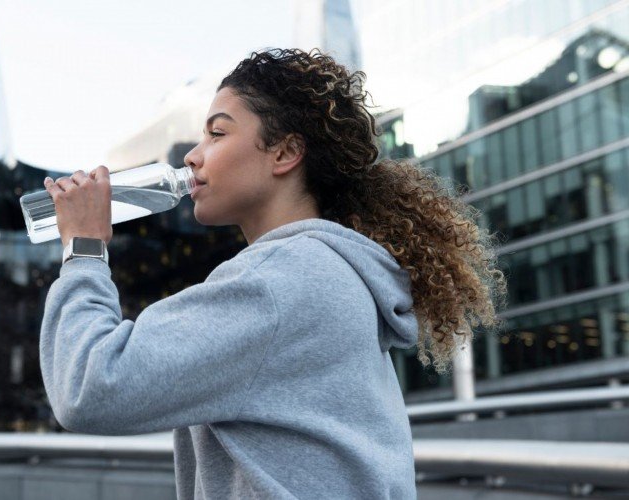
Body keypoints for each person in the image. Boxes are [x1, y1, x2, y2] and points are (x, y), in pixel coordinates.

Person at [39, 48, 507, 499]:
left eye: (218, 134)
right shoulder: (326, 273)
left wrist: (84, 246)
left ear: (284, 153)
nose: (193, 157)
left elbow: (89, 386)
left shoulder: (282, 282)